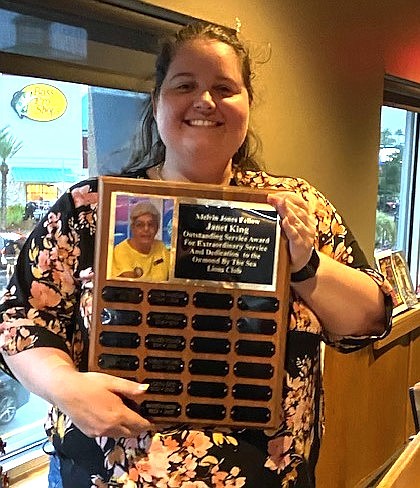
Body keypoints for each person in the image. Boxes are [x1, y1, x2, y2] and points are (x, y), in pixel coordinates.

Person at [0, 21, 392, 488]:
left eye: (224, 88)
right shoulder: (90, 210)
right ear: (157, 101)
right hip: (111, 474)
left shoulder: (295, 206)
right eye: (185, 85)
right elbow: (20, 322)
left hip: (269, 474)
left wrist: (305, 264)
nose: (205, 101)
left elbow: (369, 321)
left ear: (248, 105)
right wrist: (65, 388)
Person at [112, 201, 170, 280]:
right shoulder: (121, 251)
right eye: (140, 225)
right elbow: (130, 286)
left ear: (157, 228)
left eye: (151, 224)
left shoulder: (161, 247)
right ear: (133, 228)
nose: (146, 229)